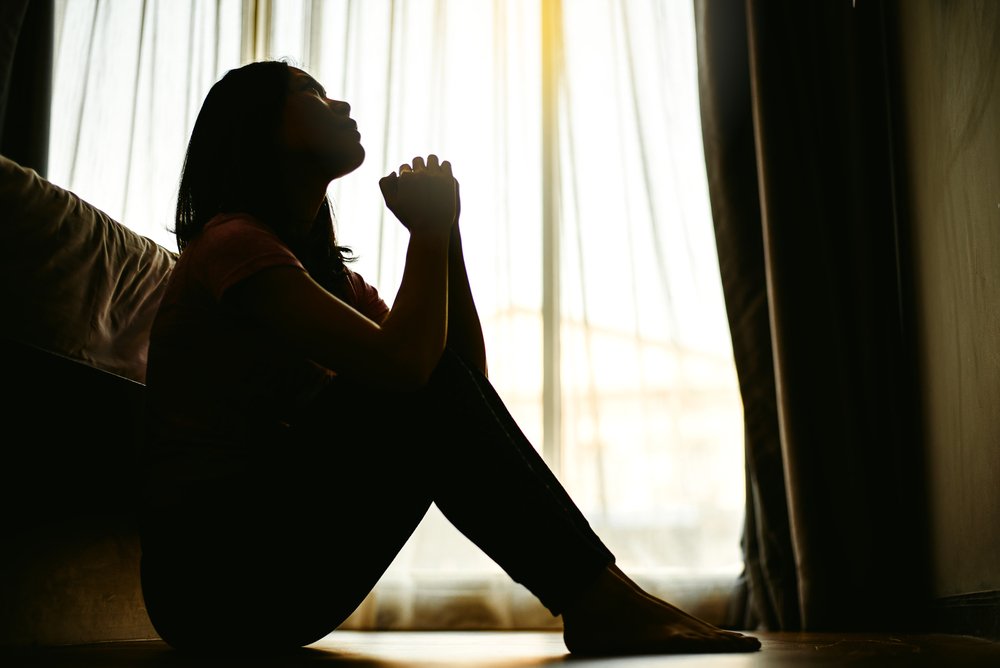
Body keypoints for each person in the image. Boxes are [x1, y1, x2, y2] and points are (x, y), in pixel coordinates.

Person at [137, 59, 761, 657]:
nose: (342, 104)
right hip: (208, 581)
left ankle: (601, 596)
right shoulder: (231, 244)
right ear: (258, 126)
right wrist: (428, 235)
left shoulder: (331, 282)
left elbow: (458, 381)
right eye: (312, 94)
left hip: (279, 573)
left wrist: (445, 234)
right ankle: (600, 599)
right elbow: (412, 372)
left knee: (421, 383)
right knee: (407, 378)